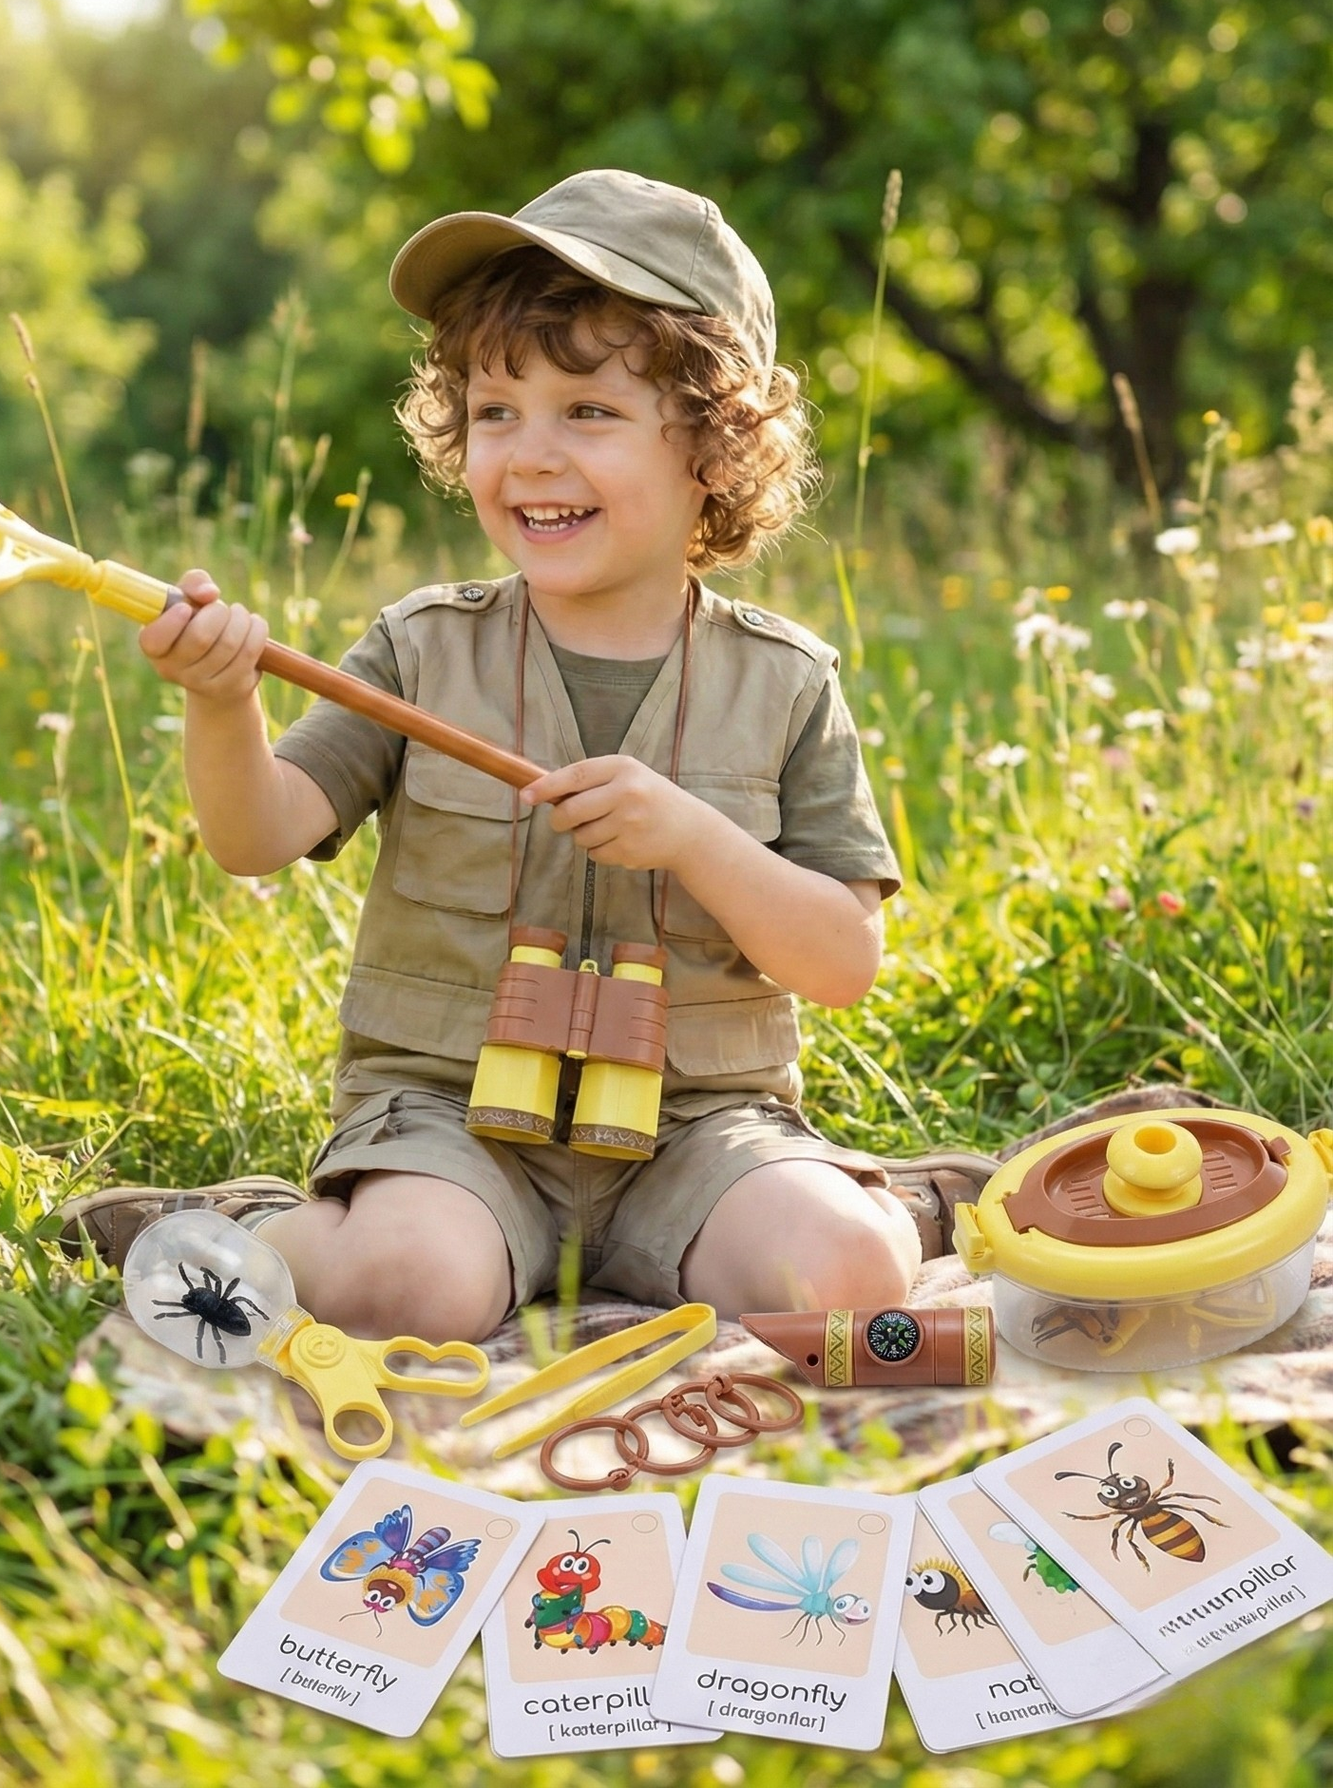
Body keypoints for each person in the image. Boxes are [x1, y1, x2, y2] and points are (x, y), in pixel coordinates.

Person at [61, 169, 993, 1345]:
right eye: (496, 411)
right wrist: (218, 703)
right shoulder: (420, 645)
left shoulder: (785, 680)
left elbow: (840, 960)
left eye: (587, 413)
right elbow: (255, 835)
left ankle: (900, 1196)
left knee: (845, 1274)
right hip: (449, 1122)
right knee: (412, 1291)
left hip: (696, 1128)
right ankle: (253, 1217)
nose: (529, 456)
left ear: (714, 441)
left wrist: (693, 837)